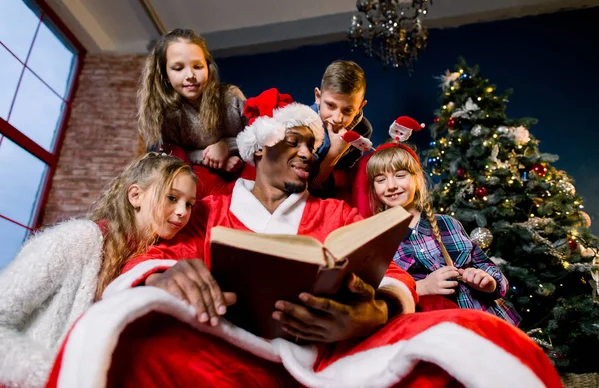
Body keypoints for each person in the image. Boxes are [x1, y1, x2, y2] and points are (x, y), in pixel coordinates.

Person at [45, 93, 560, 388]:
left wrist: (377, 311)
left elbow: (398, 273)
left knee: (467, 335)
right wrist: (166, 277)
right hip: (231, 352)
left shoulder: (333, 211)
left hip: (330, 355)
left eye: (314, 146)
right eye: (296, 142)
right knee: (119, 335)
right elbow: (159, 255)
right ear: (259, 146)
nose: (308, 154)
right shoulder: (208, 210)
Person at [0, 152, 197, 388]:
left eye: (189, 204)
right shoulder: (79, 239)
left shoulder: (148, 263)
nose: (182, 211)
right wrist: (57, 376)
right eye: (172, 197)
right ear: (135, 196)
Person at [364, 117, 521, 325]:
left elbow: (487, 267)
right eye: (381, 180)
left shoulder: (447, 224)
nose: (391, 186)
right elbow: (378, 292)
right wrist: (422, 287)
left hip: (487, 320)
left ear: (417, 179)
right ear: (374, 189)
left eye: (400, 175)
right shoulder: (380, 240)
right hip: (438, 330)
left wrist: (487, 281)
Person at [138, 28, 247, 196]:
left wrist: (226, 147)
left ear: (208, 68)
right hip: (202, 183)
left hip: (246, 170)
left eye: (197, 66)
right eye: (178, 68)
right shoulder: (169, 114)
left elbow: (257, 135)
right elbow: (179, 153)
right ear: (165, 74)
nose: (190, 75)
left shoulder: (231, 97)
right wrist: (214, 160)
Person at [309, 60, 372, 198]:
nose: (337, 118)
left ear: (360, 106)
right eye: (331, 105)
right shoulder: (302, 125)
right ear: (318, 96)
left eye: (348, 110)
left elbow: (342, 177)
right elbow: (308, 188)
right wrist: (335, 152)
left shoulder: (362, 131)